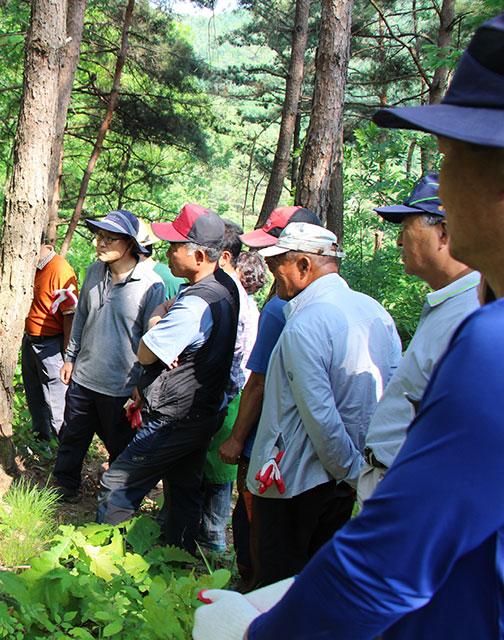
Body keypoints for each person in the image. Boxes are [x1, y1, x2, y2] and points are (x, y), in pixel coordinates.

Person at [194, 15, 504, 638]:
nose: (441, 187)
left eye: (448, 158)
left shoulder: (490, 344)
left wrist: (255, 630)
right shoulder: (386, 309)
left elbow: (389, 567)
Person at [248, 222, 401, 586]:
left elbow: (319, 416)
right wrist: (360, 472)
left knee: (277, 582)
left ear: (303, 265)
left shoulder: (307, 323)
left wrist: (350, 471)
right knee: (317, 580)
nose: (273, 275)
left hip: (299, 480)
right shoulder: (373, 310)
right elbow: (391, 393)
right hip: (347, 478)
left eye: (277, 265)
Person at [96, 204, 239, 552]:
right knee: (184, 486)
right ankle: (178, 555)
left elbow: (147, 353)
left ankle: (100, 558)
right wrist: (164, 315)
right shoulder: (224, 287)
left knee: (117, 483)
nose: (169, 253)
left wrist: (156, 322)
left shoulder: (194, 304)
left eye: (176, 246)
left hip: (176, 416)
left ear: (201, 255)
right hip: (204, 411)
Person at [357, 174, 479, 506]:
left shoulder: (473, 313)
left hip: (415, 497)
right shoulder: (449, 303)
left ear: (444, 232)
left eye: (406, 229)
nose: (398, 242)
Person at [216, 205, 321, 588]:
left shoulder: (280, 309)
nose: (268, 263)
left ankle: (251, 588)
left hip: (268, 448)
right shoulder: (334, 308)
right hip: (310, 456)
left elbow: (257, 382)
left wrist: (238, 438)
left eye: (274, 252)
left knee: (253, 524)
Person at [51, 210, 165, 501]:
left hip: (121, 385)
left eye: (109, 238)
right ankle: (64, 486)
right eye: (99, 236)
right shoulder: (93, 272)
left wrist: (142, 383)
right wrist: (70, 357)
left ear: (129, 244)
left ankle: (116, 499)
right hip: (84, 376)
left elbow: (152, 341)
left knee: (121, 445)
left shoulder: (151, 285)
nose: (100, 243)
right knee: (72, 436)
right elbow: (81, 318)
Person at [189, 220, 261, 553]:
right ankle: (203, 534)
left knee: (218, 472)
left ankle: (214, 540)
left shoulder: (233, 296)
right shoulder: (227, 291)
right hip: (219, 395)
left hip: (228, 396)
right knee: (208, 467)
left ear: (226, 256)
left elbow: (235, 357)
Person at [21, 236, 79, 441]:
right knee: (34, 395)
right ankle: (41, 441)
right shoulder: (32, 268)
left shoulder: (59, 270)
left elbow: (70, 314)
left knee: (57, 401)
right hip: (31, 340)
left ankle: (66, 450)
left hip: (52, 344)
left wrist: (67, 355)